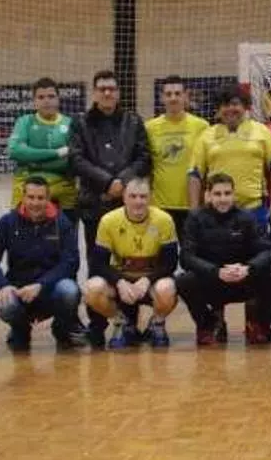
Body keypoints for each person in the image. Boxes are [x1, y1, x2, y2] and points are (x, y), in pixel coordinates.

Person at [70, 69, 152, 348]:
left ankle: (130, 324)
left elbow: (144, 158)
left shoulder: (133, 121)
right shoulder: (80, 123)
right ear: (94, 92)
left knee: (129, 264)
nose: (107, 93)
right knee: (97, 265)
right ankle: (97, 326)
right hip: (94, 205)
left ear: (118, 93)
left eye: (112, 88)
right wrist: (107, 182)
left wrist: (122, 182)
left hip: (129, 207)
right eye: (102, 88)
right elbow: (76, 160)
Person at [0, 176, 81, 351]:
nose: (35, 203)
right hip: (19, 290)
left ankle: (61, 329)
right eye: (31, 197)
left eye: (40, 198)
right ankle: (20, 330)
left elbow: (71, 261)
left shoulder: (62, 223)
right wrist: (3, 286)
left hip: (50, 289)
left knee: (70, 291)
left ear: (48, 199)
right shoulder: (7, 222)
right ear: (23, 197)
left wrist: (41, 285)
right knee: (6, 304)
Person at [177, 173, 271, 345]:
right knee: (184, 281)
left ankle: (257, 324)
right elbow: (186, 257)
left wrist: (248, 268)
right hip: (212, 279)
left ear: (234, 195)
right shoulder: (195, 218)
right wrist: (215, 271)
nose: (223, 199)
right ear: (208, 195)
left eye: (227, 193)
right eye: (217, 194)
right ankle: (208, 325)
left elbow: (267, 250)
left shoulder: (247, 217)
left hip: (242, 278)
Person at [83, 178, 179, 349]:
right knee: (92, 289)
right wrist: (119, 281)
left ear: (150, 198)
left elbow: (170, 263)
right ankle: (122, 323)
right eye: (133, 196)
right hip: (122, 279)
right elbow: (98, 263)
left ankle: (156, 324)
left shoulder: (164, 220)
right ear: (124, 198)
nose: (138, 201)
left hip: (151, 281)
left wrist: (147, 280)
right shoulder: (108, 221)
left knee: (167, 288)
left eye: (143, 196)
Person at [188, 84, 271, 229]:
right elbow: (194, 175)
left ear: (245, 106)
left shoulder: (262, 131)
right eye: (225, 105)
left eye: (235, 104)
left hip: (254, 210)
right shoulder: (206, 136)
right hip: (216, 212)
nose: (230, 109)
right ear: (219, 109)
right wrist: (194, 210)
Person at [146, 75, 210, 238]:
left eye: (177, 93)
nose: (173, 98)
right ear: (162, 98)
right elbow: (145, 166)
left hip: (192, 206)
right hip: (159, 207)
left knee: (191, 252)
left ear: (186, 96)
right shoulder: (150, 127)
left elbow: (207, 166)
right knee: (160, 253)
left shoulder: (201, 126)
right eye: (168, 94)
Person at [7, 77, 78, 224]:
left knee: (66, 233)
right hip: (27, 186)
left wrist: (32, 161)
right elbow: (14, 151)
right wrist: (57, 153)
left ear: (58, 99)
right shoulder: (24, 122)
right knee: (19, 232)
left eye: (51, 96)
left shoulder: (71, 124)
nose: (46, 101)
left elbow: (72, 161)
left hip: (63, 187)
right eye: (41, 97)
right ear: (34, 101)